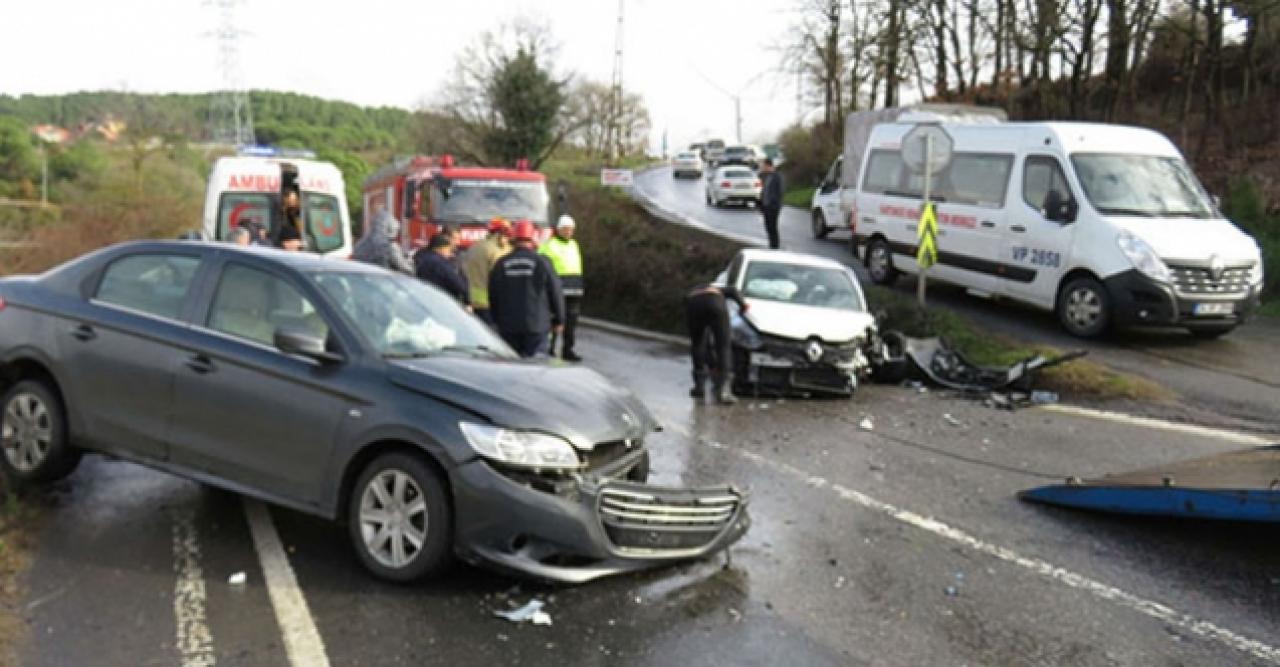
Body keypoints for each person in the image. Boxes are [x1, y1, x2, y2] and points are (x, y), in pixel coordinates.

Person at [488, 220, 564, 358]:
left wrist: (496, 320)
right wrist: (559, 319)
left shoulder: (501, 264)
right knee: (536, 367)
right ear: (533, 239)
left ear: (514, 238)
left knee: (511, 365)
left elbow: (493, 294)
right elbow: (555, 291)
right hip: (537, 325)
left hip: (508, 326)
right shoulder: (542, 263)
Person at [685, 283, 749, 404]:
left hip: (694, 304)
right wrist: (743, 306)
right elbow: (733, 291)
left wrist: (711, 363)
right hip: (715, 303)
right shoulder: (719, 290)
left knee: (698, 343)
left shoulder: (693, 292)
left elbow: (706, 345)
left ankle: (699, 387)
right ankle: (723, 390)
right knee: (723, 346)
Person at [539, 214, 584, 361]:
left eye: (571, 229)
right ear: (558, 229)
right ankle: (549, 348)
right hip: (557, 291)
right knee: (554, 321)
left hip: (574, 290)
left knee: (571, 323)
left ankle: (568, 350)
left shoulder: (574, 244)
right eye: (565, 229)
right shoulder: (549, 246)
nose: (568, 232)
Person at [461, 218, 513, 325]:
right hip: (491, 304)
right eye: (507, 234)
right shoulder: (497, 251)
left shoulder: (475, 247)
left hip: (473, 301)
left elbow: (464, 270)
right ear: (500, 234)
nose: (509, 238)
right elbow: (502, 278)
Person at [415, 233, 471, 308]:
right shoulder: (441, 263)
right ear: (441, 249)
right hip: (443, 301)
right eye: (449, 250)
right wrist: (469, 298)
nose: (450, 253)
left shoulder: (422, 259)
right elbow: (456, 282)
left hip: (425, 301)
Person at [352, 209, 414, 274]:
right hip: (384, 282)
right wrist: (410, 261)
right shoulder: (389, 247)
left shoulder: (360, 245)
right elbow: (406, 269)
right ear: (390, 229)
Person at [759, 158, 784, 249]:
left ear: (768, 166)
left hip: (773, 206)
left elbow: (780, 191)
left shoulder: (777, 176)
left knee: (773, 226)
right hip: (765, 206)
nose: (762, 168)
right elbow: (763, 190)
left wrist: (774, 203)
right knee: (768, 227)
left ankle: (775, 246)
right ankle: (771, 245)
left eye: (763, 166)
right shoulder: (765, 176)